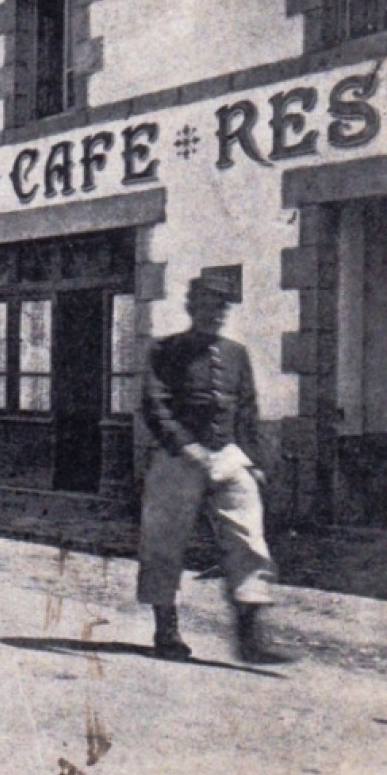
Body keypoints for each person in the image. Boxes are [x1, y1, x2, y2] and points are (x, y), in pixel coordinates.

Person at [137, 271, 300, 664]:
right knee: (163, 543)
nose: (216, 315)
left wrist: (255, 462)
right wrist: (184, 446)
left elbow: (247, 411)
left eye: (222, 309)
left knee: (248, 539)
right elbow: (154, 405)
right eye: (209, 307)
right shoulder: (165, 351)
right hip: (178, 458)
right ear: (192, 308)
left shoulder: (235, 353)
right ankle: (166, 629)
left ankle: (250, 635)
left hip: (228, 456)